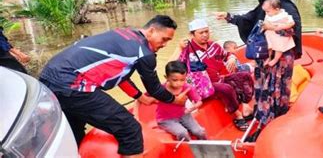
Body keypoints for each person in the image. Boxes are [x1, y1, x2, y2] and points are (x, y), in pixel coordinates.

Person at [39, 15, 189, 158]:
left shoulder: (124, 34)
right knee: (130, 129)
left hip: (48, 79)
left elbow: (119, 76)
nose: (164, 45)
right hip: (73, 85)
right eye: (164, 39)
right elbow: (154, 89)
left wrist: (140, 97)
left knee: (74, 128)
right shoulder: (144, 53)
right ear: (151, 31)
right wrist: (175, 100)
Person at [215, 0, 302, 141]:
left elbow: (293, 31)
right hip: (263, 55)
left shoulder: (287, 9)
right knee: (262, 88)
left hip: (281, 57)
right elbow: (248, 19)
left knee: (275, 89)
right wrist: (228, 16)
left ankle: (270, 123)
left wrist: (272, 28)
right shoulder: (264, 7)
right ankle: (262, 116)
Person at [178, 19, 253, 131]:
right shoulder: (187, 50)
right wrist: (179, 48)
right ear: (192, 34)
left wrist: (232, 57)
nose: (205, 35)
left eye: (206, 31)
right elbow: (175, 66)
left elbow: (226, 55)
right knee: (226, 88)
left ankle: (246, 105)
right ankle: (238, 116)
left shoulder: (213, 45)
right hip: (203, 86)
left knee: (245, 76)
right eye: (201, 33)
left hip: (220, 78)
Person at [156, 61, 207, 141]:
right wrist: (136, 115)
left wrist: (193, 107)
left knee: (199, 131)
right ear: (166, 77)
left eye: (182, 80)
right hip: (165, 119)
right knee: (182, 132)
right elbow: (140, 98)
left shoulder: (187, 87)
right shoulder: (160, 89)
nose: (179, 83)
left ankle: (205, 145)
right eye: (175, 80)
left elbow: (199, 101)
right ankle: (188, 149)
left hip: (184, 114)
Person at [261, 0, 295, 67]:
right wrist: (262, 28)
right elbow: (265, 23)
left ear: (277, 9)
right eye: (265, 11)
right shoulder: (268, 15)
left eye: (268, 11)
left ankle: (275, 59)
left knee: (278, 47)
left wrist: (281, 27)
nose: (266, 13)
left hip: (280, 36)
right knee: (268, 46)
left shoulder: (283, 15)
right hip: (270, 35)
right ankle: (269, 57)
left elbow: (292, 23)